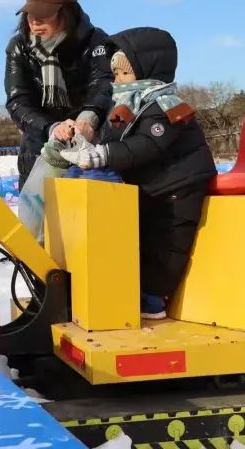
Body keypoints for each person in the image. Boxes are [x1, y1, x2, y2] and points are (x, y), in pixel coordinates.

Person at [60, 27, 216, 320]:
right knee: (136, 237)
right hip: (152, 183)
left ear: (147, 71)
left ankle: (155, 298)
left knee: (166, 241)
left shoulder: (166, 107)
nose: (117, 81)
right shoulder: (129, 105)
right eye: (115, 75)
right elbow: (114, 140)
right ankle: (117, 285)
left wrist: (103, 155)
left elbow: (147, 145)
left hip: (178, 186)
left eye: (123, 75)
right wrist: (86, 146)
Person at [5, 0, 113, 188]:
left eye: (45, 13)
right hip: (39, 151)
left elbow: (105, 84)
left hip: (89, 151)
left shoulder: (96, 40)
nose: (35, 21)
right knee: (39, 221)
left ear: (68, 13)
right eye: (30, 13)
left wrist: (88, 120)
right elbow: (18, 101)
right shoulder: (19, 46)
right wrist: (52, 128)